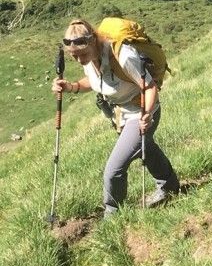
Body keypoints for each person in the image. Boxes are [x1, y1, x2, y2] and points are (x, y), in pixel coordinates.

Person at [51, 19, 179, 216]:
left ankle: (113, 215)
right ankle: (169, 187)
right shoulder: (90, 57)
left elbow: (149, 86)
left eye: (82, 54)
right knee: (146, 148)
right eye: (73, 56)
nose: (79, 60)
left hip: (141, 111)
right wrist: (72, 87)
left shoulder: (123, 56)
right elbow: (95, 81)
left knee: (113, 170)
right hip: (121, 113)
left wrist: (146, 115)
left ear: (93, 41)